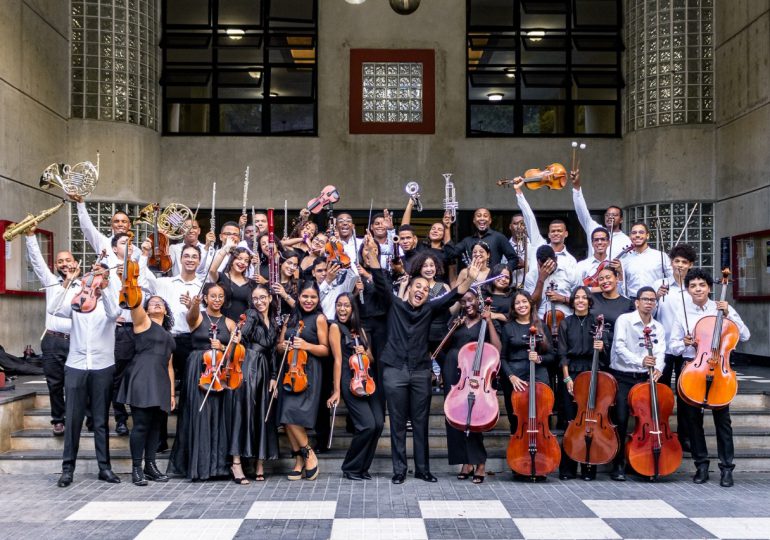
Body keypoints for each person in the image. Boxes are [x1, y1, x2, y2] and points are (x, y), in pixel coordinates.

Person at [361, 235, 483, 484]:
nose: (422, 292)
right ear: (409, 289)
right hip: (394, 369)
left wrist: (469, 276)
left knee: (420, 422)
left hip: (419, 370)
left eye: (426, 290)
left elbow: (453, 296)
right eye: (418, 287)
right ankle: (399, 470)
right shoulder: (395, 305)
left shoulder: (429, 308)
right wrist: (372, 255)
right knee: (396, 422)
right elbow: (382, 282)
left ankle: (423, 469)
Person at [670, 268, 751, 487]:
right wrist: (685, 343)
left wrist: (728, 314)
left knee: (723, 422)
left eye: (702, 285)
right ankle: (701, 466)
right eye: (693, 285)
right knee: (693, 422)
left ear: (709, 287)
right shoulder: (682, 313)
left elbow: (744, 335)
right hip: (694, 371)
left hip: (720, 372)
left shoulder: (723, 308)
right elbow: (673, 347)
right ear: (688, 289)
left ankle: (726, 469)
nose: (698, 289)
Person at [49, 261, 122, 487]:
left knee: (100, 420)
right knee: (73, 419)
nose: (94, 281)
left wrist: (107, 286)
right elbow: (53, 308)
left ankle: (105, 468)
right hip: (76, 365)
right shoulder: (77, 301)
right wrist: (69, 281)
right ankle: (67, 469)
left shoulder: (107, 302)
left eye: (98, 277)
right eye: (92, 276)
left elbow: (115, 312)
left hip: (102, 366)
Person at [167, 283, 236, 481]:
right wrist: (194, 305)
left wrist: (223, 346)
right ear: (205, 298)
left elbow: (233, 353)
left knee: (217, 416)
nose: (217, 299)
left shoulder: (230, 323)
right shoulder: (198, 316)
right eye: (213, 296)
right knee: (199, 415)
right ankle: (198, 467)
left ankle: (218, 467)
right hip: (199, 367)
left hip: (219, 373)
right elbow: (191, 318)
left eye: (220, 296)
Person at [25, 228, 80, 436]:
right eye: (60, 262)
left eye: (68, 260)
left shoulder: (85, 284)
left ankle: (84, 417)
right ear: (56, 266)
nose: (64, 264)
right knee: (55, 383)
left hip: (77, 340)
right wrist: (30, 237)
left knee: (78, 382)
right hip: (53, 340)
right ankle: (58, 419)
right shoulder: (50, 282)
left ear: (75, 263)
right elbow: (37, 260)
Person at [442, 291, 501, 484]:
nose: (467, 304)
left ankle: (480, 462)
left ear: (478, 301)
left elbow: (496, 348)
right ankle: (465, 462)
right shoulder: (455, 321)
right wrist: (452, 328)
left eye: (471, 300)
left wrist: (490, 321)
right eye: (463, 301)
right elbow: (444, 347)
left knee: (474, 417)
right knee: (454, 417)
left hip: (476, 373)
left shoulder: (485, 321)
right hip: (455, 369)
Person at [116, 294, 175, 486]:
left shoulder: (168, 334)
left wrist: (172, 393)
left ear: (166, 310)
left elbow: (169, 366)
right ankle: (136, 468)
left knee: (156, 427)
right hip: (142, 377)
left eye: (161, 303)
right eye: (152, 303)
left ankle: (150, 467)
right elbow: (133, 303)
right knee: (141, 425)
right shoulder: (143, 322)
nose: (157, 303)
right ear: (147, 310)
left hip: (160, 381)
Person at [608, 286, 666, 481]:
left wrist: (659, 367)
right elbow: (619, 347)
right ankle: (618, 464)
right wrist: (640, 361)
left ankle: (641, 461)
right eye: (645, 299)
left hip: (645, 377)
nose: (649, 302)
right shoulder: (624, 321)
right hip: (624, 376)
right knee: (622, 420)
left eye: (652, 300)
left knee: (647, 421)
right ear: (637, 302)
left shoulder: (658, 327)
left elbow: (660, 352)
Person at [275, 281, 330, 481]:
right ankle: (302, 457)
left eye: (313, 297)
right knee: (285, 414)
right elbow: (279, 345)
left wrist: (306, 345)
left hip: (309, 372)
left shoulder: (320, 319)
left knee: (292, 414)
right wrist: (285, 346)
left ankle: (306, 453)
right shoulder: (291, 317)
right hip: (290, 369)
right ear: (298, 298)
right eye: (305, 297)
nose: (308, 301)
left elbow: (325, 349)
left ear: (318, 299)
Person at [327, 292, 384, 480]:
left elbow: (372, 358)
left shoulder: (361, 330)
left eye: (346, 305)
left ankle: (363, 468)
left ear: (353, 308)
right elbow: (336, 360)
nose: (342, 309)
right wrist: (336, 391)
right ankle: (350, 467)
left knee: (378, 424)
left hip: (368, 379)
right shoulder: (335, 327)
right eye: (339, 305)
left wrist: (365, 352)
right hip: (349, 380)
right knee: (366, 425)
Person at [227, 284, 280, 483]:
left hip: (265, 369)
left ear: (270, 298)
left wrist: (274, 377)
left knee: (262, 415)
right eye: (256, 298)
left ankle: (259, 463)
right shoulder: (250, 314)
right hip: (249, 364)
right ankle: (237, 463)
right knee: (244, 412)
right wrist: (239, 336)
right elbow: (245, 332)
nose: (259, 302)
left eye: (263, 297)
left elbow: (273, 352)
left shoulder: (274, 322)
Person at [558, 286, 607, 480]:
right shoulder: (566, 323)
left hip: (592, 371)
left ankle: (589, 465)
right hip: (571, 374)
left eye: (584, 298)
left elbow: (607, 351)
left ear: (589, 301)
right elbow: (562, 353)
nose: (580, 301)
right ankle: (568, 468)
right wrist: (567, 378)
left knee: (591, 422)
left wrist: (602, 346)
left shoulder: (597, 322)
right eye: (577, 297)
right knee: (571, 422)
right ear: (572, 301)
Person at [653, 243, 697, 452]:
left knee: (685, 393)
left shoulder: (694, 287)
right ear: (671, 263)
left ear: (690, 265)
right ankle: (659, 432)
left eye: (684, 262)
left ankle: (685, 435)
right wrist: (656, 298)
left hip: (687, 348)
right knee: (661, 391)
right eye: (676, 261)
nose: (679, 265)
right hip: (663, 347)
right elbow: (648, 315)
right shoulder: (659, 284)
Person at [499, 291, 554, 451]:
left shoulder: (541, 326)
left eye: (524, 302)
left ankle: (542, 459)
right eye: (517, 303)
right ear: (513, 307)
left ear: (530, 304)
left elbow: (552, 356)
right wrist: (511, 376)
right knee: (517, 420)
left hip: (539, 375)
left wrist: (539, 359)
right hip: (516, 379)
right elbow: (502, 358)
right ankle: (518, 460)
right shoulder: (509, 328)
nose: (521, 305)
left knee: (541, 418)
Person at [513, 177, 577, 273]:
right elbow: (530, 218)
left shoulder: (571, 260)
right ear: (549, 234)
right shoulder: (539, 246)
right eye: (553, 231)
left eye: (559, 231)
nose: (556, 233)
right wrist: (518, 190)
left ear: (566, 233)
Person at [570, 170, 630, 259]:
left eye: (614, 215)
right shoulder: (595, 229)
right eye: (608, 215)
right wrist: (576, 187)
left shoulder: (626, 240)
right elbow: (582, 211)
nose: (610, 217)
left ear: (621, 219)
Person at [444, 208, 519, 270]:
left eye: (485, 216)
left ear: (490, 220)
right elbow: (451, 254)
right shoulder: (467, 241)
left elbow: (514, 259)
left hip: (492, 283)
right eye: (479, 216)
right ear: (474, 220)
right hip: (473, 283)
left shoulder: (499, 237)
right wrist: (447, 228)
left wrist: (502, 272)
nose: (482, 218)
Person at [71, 197, 139, 264]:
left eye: (124, 221)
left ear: (129, 225)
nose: (120, 224)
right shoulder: (103, 243)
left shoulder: (137, 251)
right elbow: (88, 228)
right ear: (111, 225)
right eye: (116, 221)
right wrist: (80, 203)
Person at [590, 266, 635, 364]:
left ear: (617, 278)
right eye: (601, 279)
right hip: (590, 349)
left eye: (608, 277)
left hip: (614, 352)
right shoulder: (591, 299)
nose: (605, 281)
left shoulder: (628, 304)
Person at [209, 239, 256, 321]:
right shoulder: (222, 277)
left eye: (246, 261)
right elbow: (212, 270)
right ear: (232, 260)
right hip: (221, 324)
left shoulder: (251, 283)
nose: (242, 262)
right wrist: (226, 248)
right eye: (239, 258)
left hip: (242, 327)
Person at [624, 222, 672, 299]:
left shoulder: (660, 256)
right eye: (634, 233)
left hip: (655, 299)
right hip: (632, 301)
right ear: (630, 236)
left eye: (641, 232)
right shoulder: (625, 259)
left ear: (647, 236)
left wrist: (662, 288)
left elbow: (672, 276)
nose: (637, 235)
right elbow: (622, 285)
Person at [575, 227, 626, 294]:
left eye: (603, 239)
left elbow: (621, 292)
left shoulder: (615, 265)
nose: (599, 242)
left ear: (609, 242)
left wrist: (620, 273)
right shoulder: (582, 265)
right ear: (592, 243)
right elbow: (577, 289)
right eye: (596, 240)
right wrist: (603, 288)